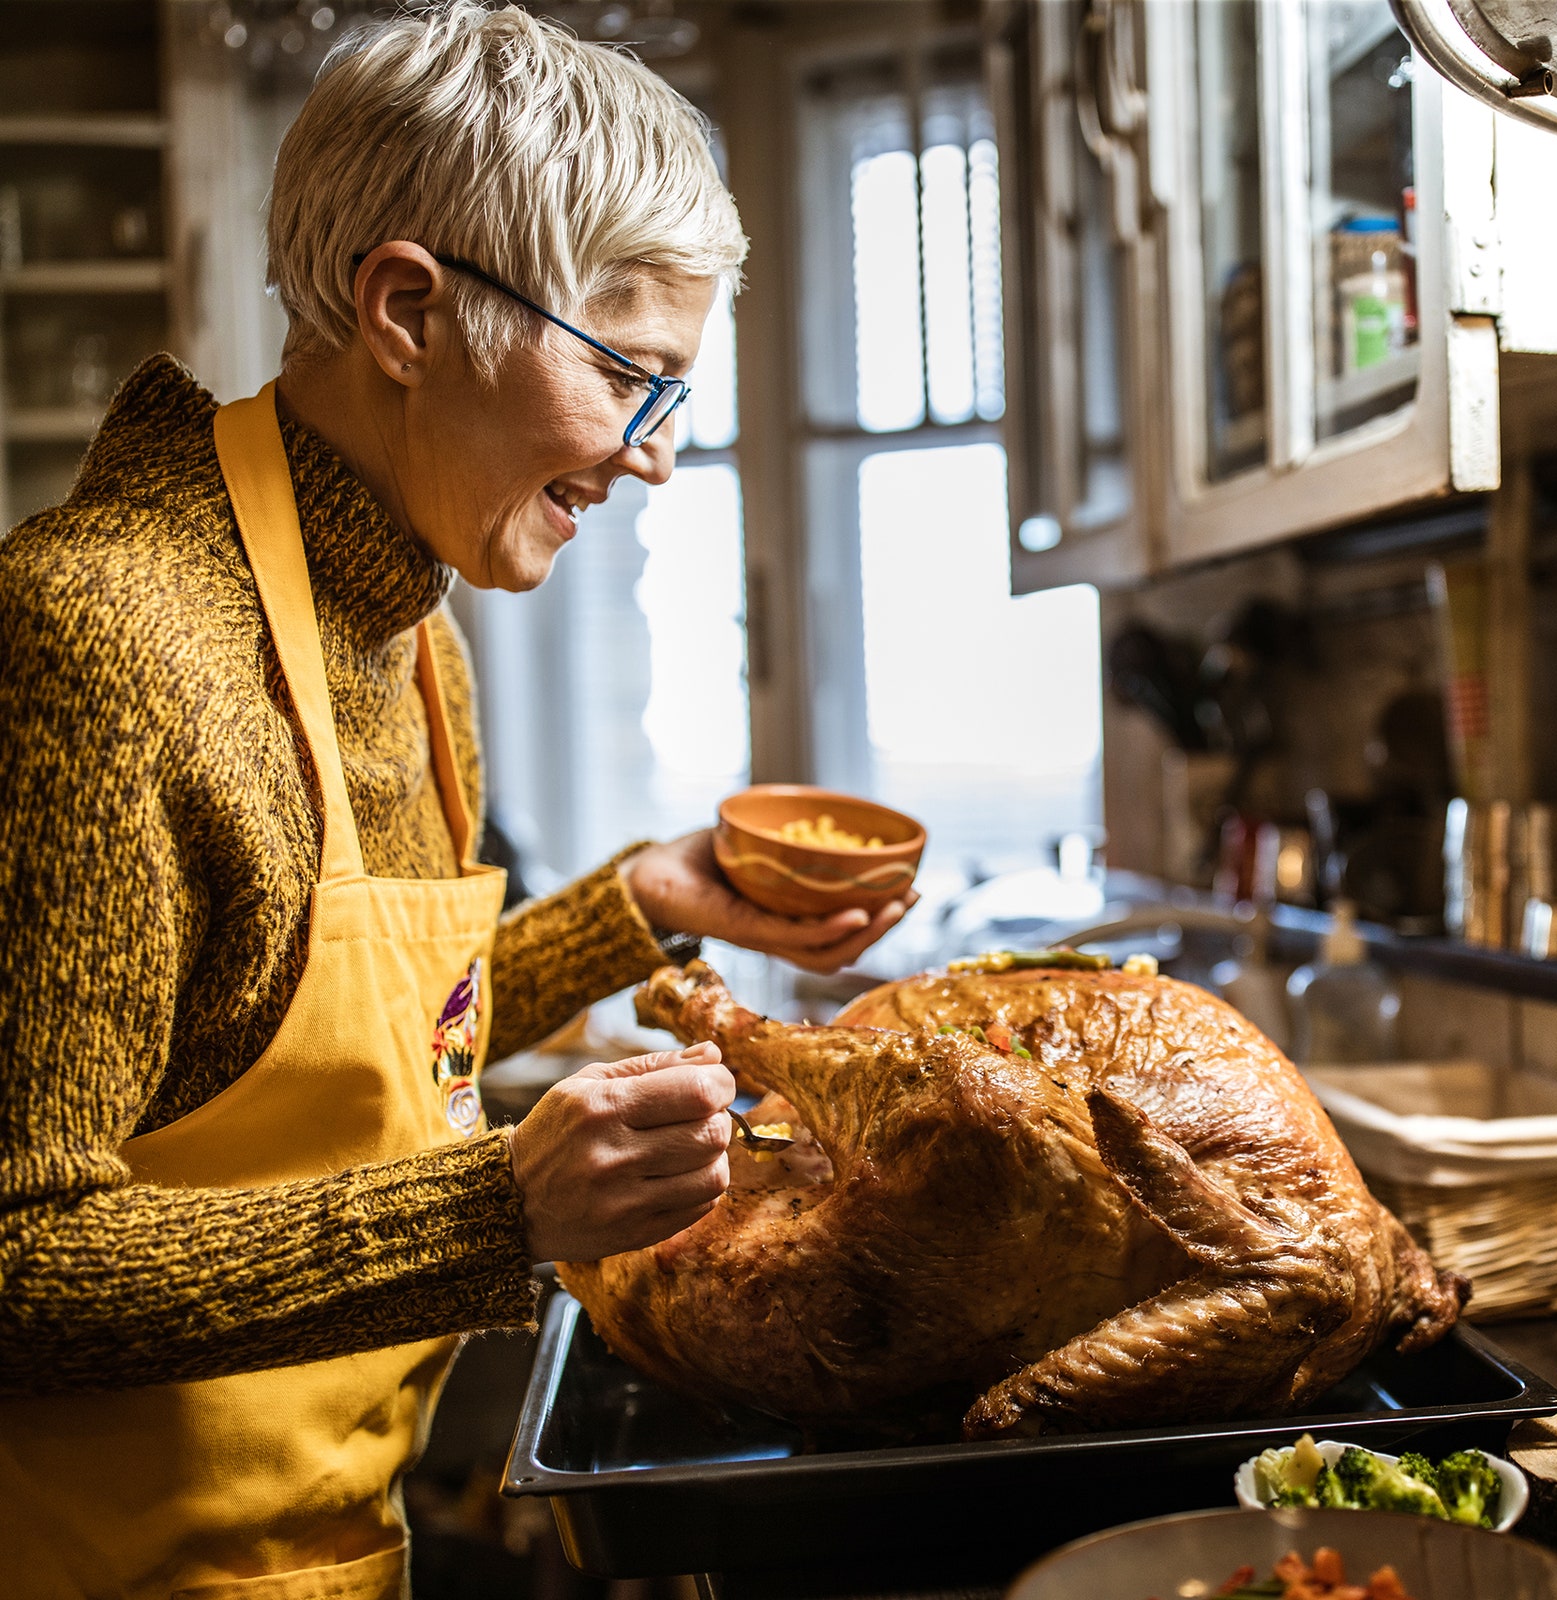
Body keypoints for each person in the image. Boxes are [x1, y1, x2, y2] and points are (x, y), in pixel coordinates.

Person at [0, 8, 909, 1596]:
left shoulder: (415, 631)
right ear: (409, 310)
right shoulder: (99, 643)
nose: (655, 460)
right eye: (633, 376)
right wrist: (498, 1210)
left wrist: (639, 909)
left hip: (346, 1546)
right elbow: (13, 1258)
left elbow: (345, 1057)